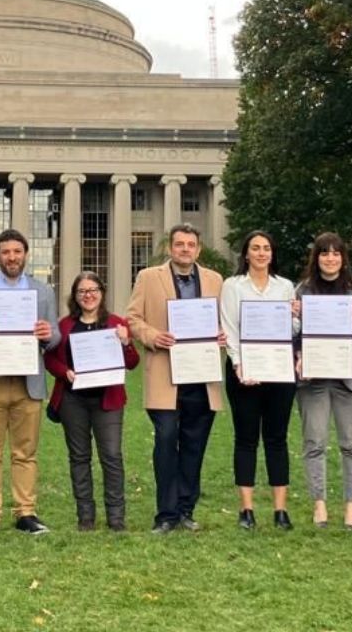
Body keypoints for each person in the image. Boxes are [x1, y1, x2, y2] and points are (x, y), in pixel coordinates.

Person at [125, 224, 228, 534]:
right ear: (170, 248)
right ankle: (166, 513)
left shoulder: (214, 280)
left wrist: (223, 334)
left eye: (191, 244)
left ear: (198, 249)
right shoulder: (148, 277)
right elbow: (132, 318)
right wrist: (153, 336)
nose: (185, 249)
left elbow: (224, 319)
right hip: (165, 376)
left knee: (194, 446)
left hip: (202, 376)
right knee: (167, 441)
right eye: (179, 244)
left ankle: (186, 509)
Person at [0, 229, 62, 535]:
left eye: (17, 252)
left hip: (28, 382)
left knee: (25, 452)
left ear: (26, 255)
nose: (12, 257)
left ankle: (26, 512)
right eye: (6, 252)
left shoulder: (43, 291)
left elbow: (56, 337)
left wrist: (48, 334)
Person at [43, 271, 139, 532]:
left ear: (102, 292)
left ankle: (116, 517)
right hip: (73, 400)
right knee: (79, 457)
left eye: (93, 289)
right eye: (82, 291)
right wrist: (65, 372)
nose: (88, 295)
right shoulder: (64, 326)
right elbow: (49, 358)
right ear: (75, 296)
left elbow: (132, 363)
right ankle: (85, 516)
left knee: (111, 456)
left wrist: (126, 342)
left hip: (108, 400)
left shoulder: (117, 324)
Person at [218, 230, 298, 531]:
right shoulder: (233, 286)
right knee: (246, 438)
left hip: (279, 370)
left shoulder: (285, 287)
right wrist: (239, 365)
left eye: (266, 248)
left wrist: (295, 315)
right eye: (256, 248)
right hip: (244, 373)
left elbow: (292, 329)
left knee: (277, 438)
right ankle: (246, 510)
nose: (262, 253)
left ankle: (280, 510)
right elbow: (229, 326)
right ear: (246, 254)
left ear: (272, 253)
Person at [291, 232, 352, 529]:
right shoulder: (303, 290)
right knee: (314, 442)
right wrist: (296, 326)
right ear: (317, 257)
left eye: (336, 253)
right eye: (324, 253)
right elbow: (294, 334)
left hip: (349, 379)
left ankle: (351, 508)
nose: (330, 258)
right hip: (313, 379)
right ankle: (320, 505)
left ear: (343, 257)